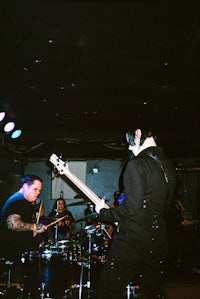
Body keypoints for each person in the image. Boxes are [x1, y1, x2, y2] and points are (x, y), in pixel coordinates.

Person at [95, 128, 177, 299]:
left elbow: (131, 208)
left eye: (130, 143)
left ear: (138, 134)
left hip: (131, 242)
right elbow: (165, 207)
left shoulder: (136, 164)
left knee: (108, 289)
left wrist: (103, 212)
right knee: (154, 292)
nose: (130, 149)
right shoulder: (168, 165)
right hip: (158, 241)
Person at [0, 174, 47, 263]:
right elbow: (12, 224)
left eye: (39, 190)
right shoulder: (18, 201)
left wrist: (31, 232)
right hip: (13, 255)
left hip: (18, 252)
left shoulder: (23, 201)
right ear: (25, 186)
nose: (38, 193)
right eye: (35, 189)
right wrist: (34, 227)